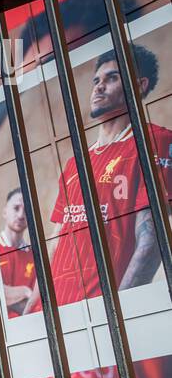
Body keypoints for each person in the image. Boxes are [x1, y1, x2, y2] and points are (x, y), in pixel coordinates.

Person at [26, 46, 172, 313]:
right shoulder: (75, 163)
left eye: (112, 78)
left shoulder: (154, 140)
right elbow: (56, 241)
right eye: (96, 81)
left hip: (100, 312)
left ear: (139, 86)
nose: (99, 87)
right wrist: (31, 311)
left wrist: (120, 311)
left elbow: (152, 240)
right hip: (53, 314)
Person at [0, 187, 36, 317]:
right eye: (16, 208)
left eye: (26, 210)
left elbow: (38, 302)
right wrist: (25, 291)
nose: (21, 215)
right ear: (4, 212)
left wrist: (10, 294)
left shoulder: (35, 256)